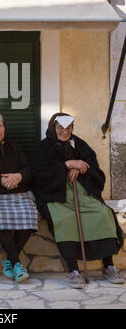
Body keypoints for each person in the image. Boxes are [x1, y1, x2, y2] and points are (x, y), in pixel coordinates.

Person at [31, 112, 124, 288]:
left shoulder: (80, 145)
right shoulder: (42, 149)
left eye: (68, 128)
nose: (64, 132)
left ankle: (108, 265)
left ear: (72, 128)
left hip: (82, 192)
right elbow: (39, 175)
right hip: (56, 195)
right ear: (53, 128)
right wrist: (66, 166)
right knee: (64, 220)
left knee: (103, 214)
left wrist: (82, 168)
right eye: (60, 128)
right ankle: (73, 270)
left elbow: (95, 170)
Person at [0, 114, 38, 282]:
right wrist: (0, 180)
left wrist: (18, 176)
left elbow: (28, 168)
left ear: (4, 128)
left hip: (18, 191)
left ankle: (9, 260)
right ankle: (16, 263)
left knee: (30, 215)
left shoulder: (14, 146)